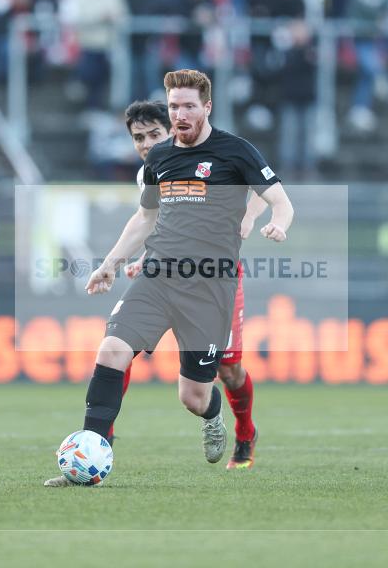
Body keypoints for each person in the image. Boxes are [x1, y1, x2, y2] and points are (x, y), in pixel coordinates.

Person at [45, 69, 293, 485]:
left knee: (194, 396)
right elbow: (146, 218)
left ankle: (219, 417)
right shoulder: (160, 158)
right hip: (157, 277)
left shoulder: (236, 151)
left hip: (210, 287)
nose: (180, 114)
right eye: (174, 106)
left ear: (207, 107)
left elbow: (281, 201)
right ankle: (87, 460)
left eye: (188, 106)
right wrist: (110, 263)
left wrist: (277, 223)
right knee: (111, 350)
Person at [112, 100, 264, 470]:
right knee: (119, 345)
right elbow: (162, 223)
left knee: (228, 371)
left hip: (215, 281)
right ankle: (102, 435)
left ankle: (245, 431)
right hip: (164, 276)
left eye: (154, 134)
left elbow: (263, 188)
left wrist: (249, 217)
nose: (147, 144)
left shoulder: (216, 155)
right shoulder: (151, 171)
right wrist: (145, 259)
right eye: (139, 138)